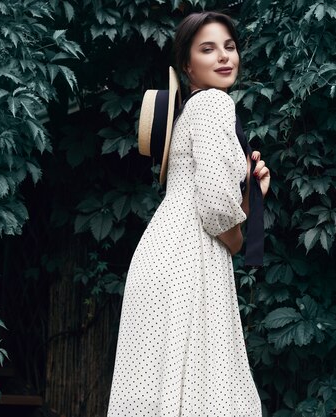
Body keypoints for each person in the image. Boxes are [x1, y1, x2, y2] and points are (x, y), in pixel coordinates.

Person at [107, 11, 271, 417]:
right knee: (205, 392)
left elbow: (216, 197)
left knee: (166, 391)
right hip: (189, 257)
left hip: (166, 253)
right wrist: (235, 241)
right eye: (208, 49)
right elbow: (216, 208)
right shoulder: (214, 103)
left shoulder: (191, 111)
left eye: (229, 47)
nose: (223, 57)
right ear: (186, 65)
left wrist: (252, 195)